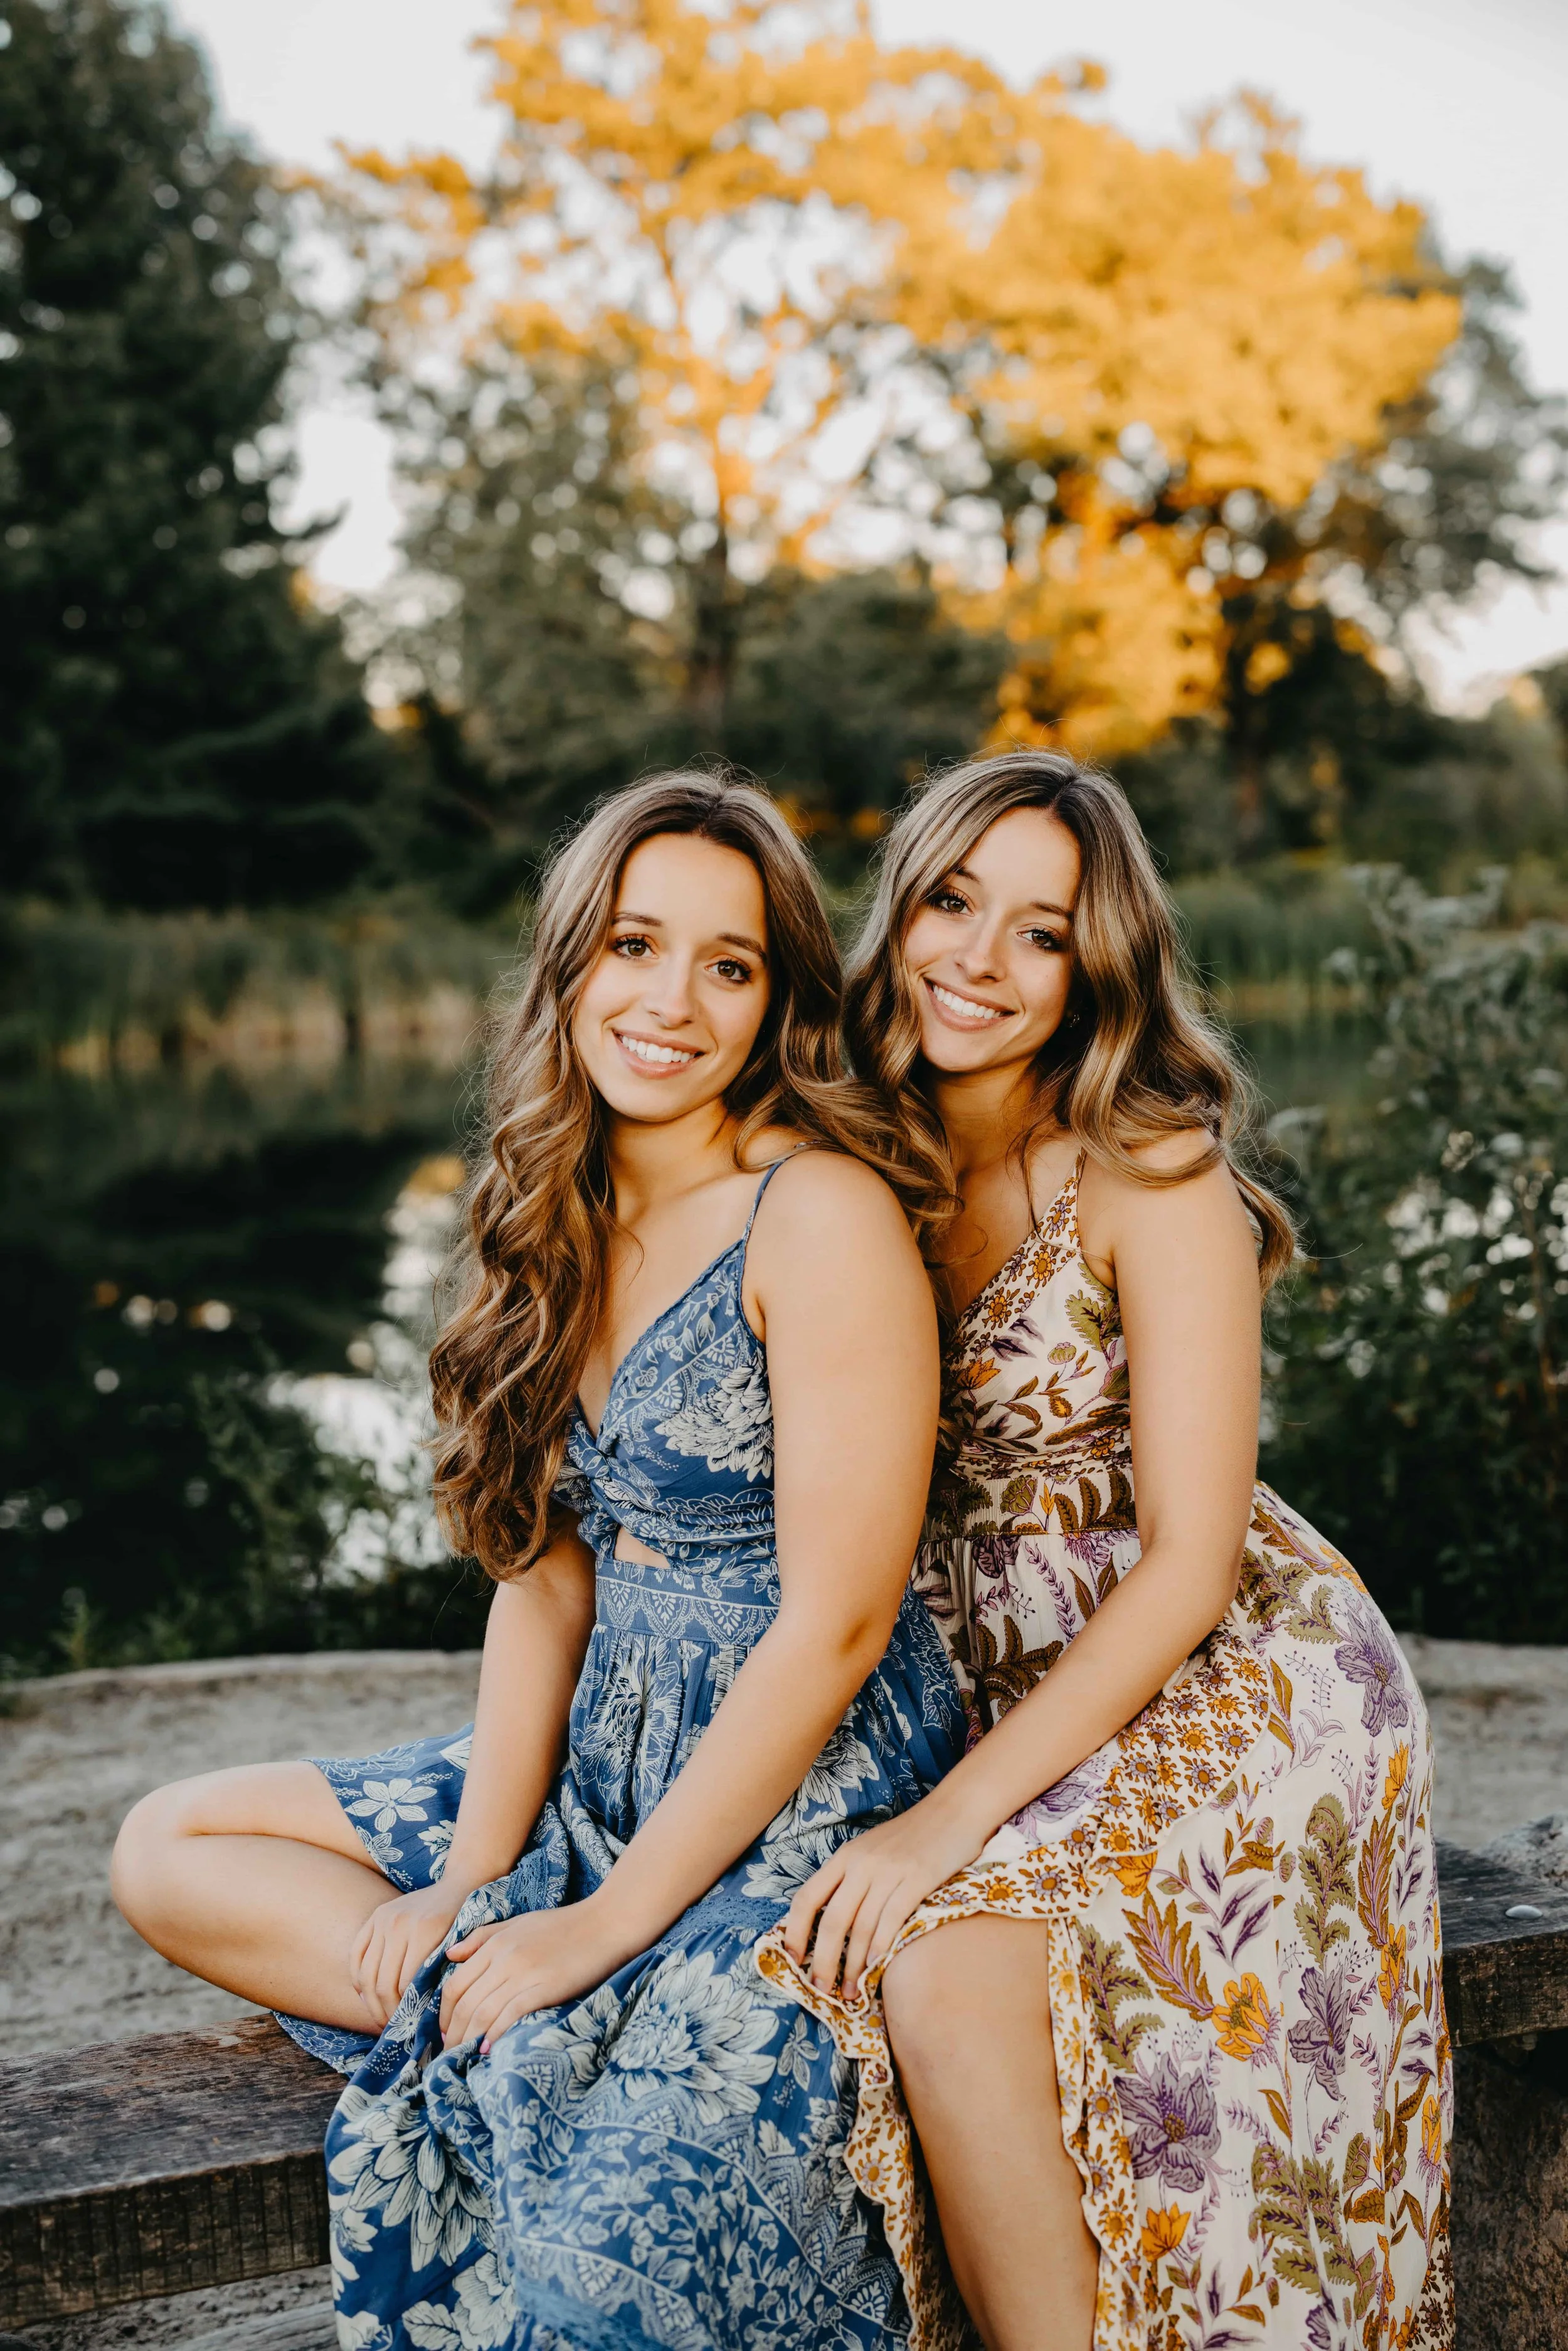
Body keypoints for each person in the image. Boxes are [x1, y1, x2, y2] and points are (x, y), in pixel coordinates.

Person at [112, 771, 967, 2351]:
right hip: (597, 1758)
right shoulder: (550, 1207)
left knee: (598, 2265)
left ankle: (606, 2007)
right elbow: (545, 1577)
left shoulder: (815, 1211)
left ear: (777, 997)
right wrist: (477, 1875)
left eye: (728, 964)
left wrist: (602, 1920)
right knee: (169, 1844)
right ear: (570, 960)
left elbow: (838, 1624)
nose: (670, 1000)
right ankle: (555, 1999)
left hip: (796, 1782)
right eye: (634, 943)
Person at [765, 753, 1451, 2351]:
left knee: (937, 1964)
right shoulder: (834, 1152)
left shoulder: (1153, 1170)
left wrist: (938, 1824)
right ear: (900, 905)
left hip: (1226, 1670)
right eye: (950, 903)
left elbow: (1191, 1567)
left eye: (1039, 933)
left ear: (1099, 963)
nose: (976, 963)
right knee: (797, 1954)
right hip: (960, 1659)